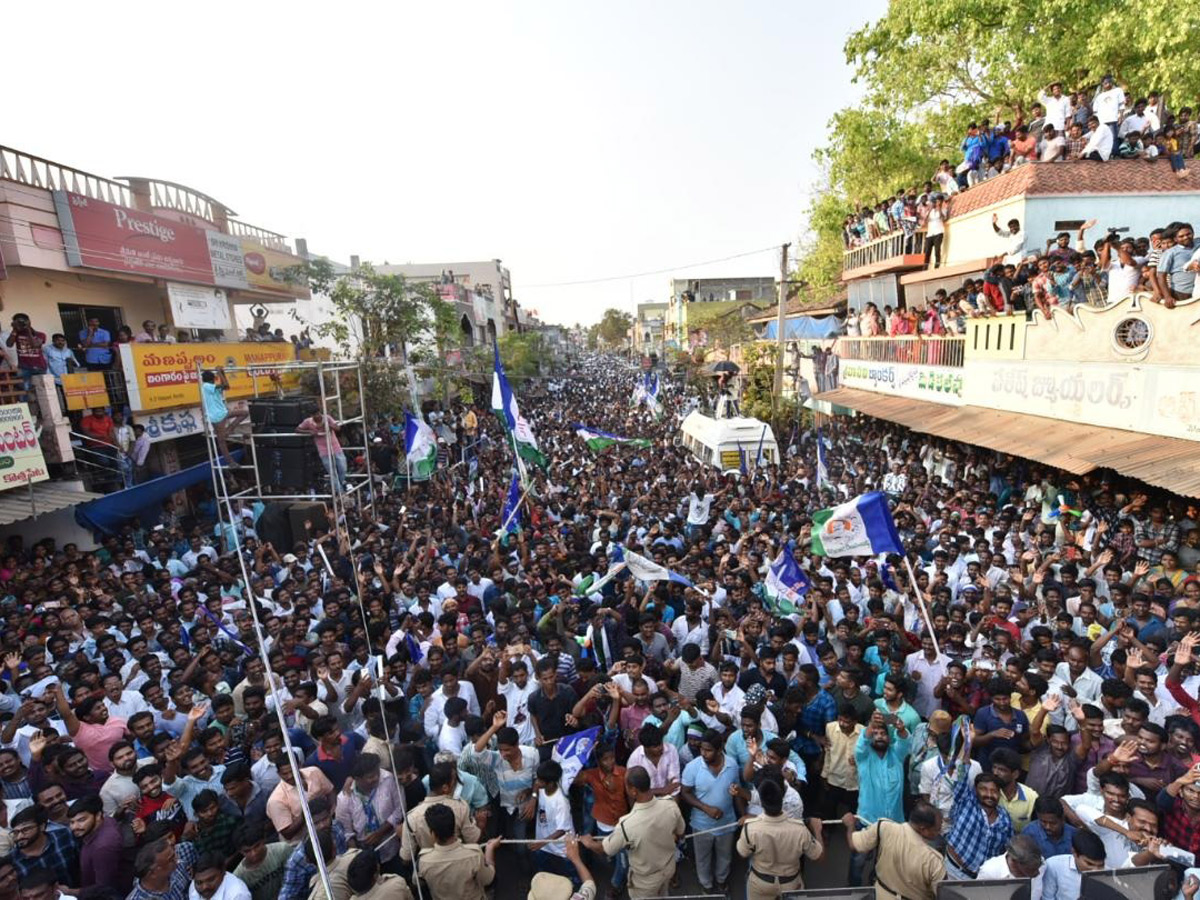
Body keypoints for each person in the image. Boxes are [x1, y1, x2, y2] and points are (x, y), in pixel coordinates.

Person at [579, 764, 685, 899]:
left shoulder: (627, 825)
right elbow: (680, 832)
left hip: (645, 882)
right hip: (668, 869)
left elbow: (604, 849)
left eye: (626, 786)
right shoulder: (670, 805)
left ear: (633, 791)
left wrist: (588, 842)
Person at [735, 778, 825, 899]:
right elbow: (819, 857)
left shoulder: (750, 827)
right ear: (781, 800)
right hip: (791, 884)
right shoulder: (800, 829)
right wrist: (817, 831)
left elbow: (742, 854)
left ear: (761, 801)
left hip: (760, 884)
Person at [844, 801, 947, 900]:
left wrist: (850, 826)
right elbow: (943, 894)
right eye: (937, 829)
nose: (939, 832)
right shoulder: (934, 861)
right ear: (923, 829)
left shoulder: (884, 827)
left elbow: (854, 844)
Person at [680, 728, 739, 894]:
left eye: (708, 750)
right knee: (703, 858)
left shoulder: (732, 765)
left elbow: (738, 792)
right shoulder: (692, 767)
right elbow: (685, 792)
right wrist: (706, 808)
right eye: (702, 749)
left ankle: (721, 881)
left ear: (720, 750)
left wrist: (743, 815)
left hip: (727, 822)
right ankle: (706, 885)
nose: (704, 753)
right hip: (701, 824)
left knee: (725, 856)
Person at [418, 803, 501, 900]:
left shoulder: (423, 860)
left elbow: (418, 882)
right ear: (454, 826)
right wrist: (490, 850)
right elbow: (488, 879)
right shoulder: (473, 854)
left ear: (432, 833)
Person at [1041, 829, 1108, 900]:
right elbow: (1047, 897)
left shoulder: (1110, 872)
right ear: (1074, 853)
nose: (1095, 870)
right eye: (1089, 864)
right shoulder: (1054, 865)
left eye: (1101, 865)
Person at [201, 368, 245, 465]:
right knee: (221, 441)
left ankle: (229, 429)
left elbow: (227, 387)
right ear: (212, 379)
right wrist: (220, 373)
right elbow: (224, 385)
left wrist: (222, 373)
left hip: (222, 413)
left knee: (244, 413)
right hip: (217, 416)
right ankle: (230, 462)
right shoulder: (206, 386)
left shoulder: (213, 387)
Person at [295, 412, 347, 493]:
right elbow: (297, 429)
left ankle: (336, 485)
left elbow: (338, 428)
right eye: (315, 414)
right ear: (312, 416)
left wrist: (329, 426)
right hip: (323, 450)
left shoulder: (327, 418)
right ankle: (340, 492)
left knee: (343, 467)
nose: (317, 416)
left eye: (318, 414)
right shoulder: (308, 422)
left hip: (335, 447)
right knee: (331, 472)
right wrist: (309, 432)